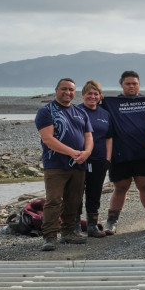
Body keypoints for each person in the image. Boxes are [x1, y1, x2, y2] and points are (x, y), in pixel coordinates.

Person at [36, 78, 93, 251]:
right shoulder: (46, 111)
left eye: (70, 90)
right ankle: (49, 237)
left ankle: (68, 233)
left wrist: (87, 152)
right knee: (54, 200)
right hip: (56, 164)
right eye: (64, 89)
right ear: (56, 90)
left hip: (79, 163)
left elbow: (89, 136)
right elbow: (48, 139)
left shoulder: (80, 112)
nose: (67, 92)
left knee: (74, 200)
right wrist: (72, 152)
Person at [101, 71, 145, 234]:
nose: (131, 86)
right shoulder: (110, 103)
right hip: (121, 153)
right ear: (121, 85)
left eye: (135, 83)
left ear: (139, 85)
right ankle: (111, 222)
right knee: (120, 187)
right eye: (128, 83)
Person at [75, 80, 111, 238]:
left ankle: (92, 226)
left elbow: (109, 137)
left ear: (100, 96)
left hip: (99, 159)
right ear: (83, 95)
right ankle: (75, 226)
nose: (92, 96)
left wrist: (107, 159)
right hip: (78, 159)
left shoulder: (105, 114)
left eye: (96, 93)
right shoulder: (75, 111)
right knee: (76, 193)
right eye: (89, 93)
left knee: (94, 193)